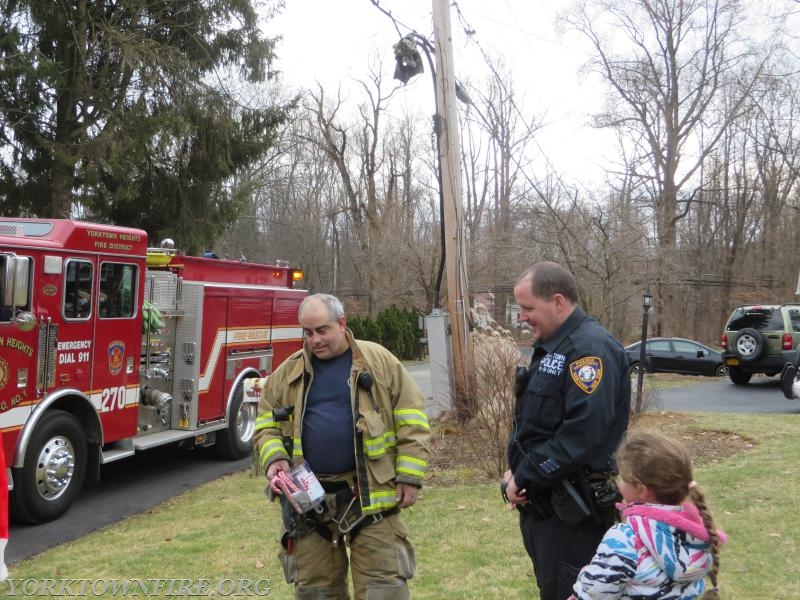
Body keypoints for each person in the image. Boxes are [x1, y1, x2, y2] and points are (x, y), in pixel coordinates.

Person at [252, 293, 431, 600]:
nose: (314, 340)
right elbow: (264, 424)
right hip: (309, 505)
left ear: (342, 323)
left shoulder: (379, 362)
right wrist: (275, 458)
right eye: (307, 333)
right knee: (316, 592)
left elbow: (412, 420)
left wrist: (409, 477)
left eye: (322, 330)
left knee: (383, 591)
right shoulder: (288, 373)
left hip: (371, 498)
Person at [502, 261, 631, 600]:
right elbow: (539, 426)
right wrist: (517, 470)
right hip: (548, 510)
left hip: (575, 517)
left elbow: (580, 437)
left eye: (528, 308)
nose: (522, 316)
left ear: (557, 301)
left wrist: (525, 474)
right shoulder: (554, 348)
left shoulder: (588, 350)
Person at [569, 430, 727, 600]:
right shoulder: (697, 533)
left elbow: (594, 592)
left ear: (641, 490)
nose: (617, 481)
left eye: (621, 477)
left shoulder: (625, 539)